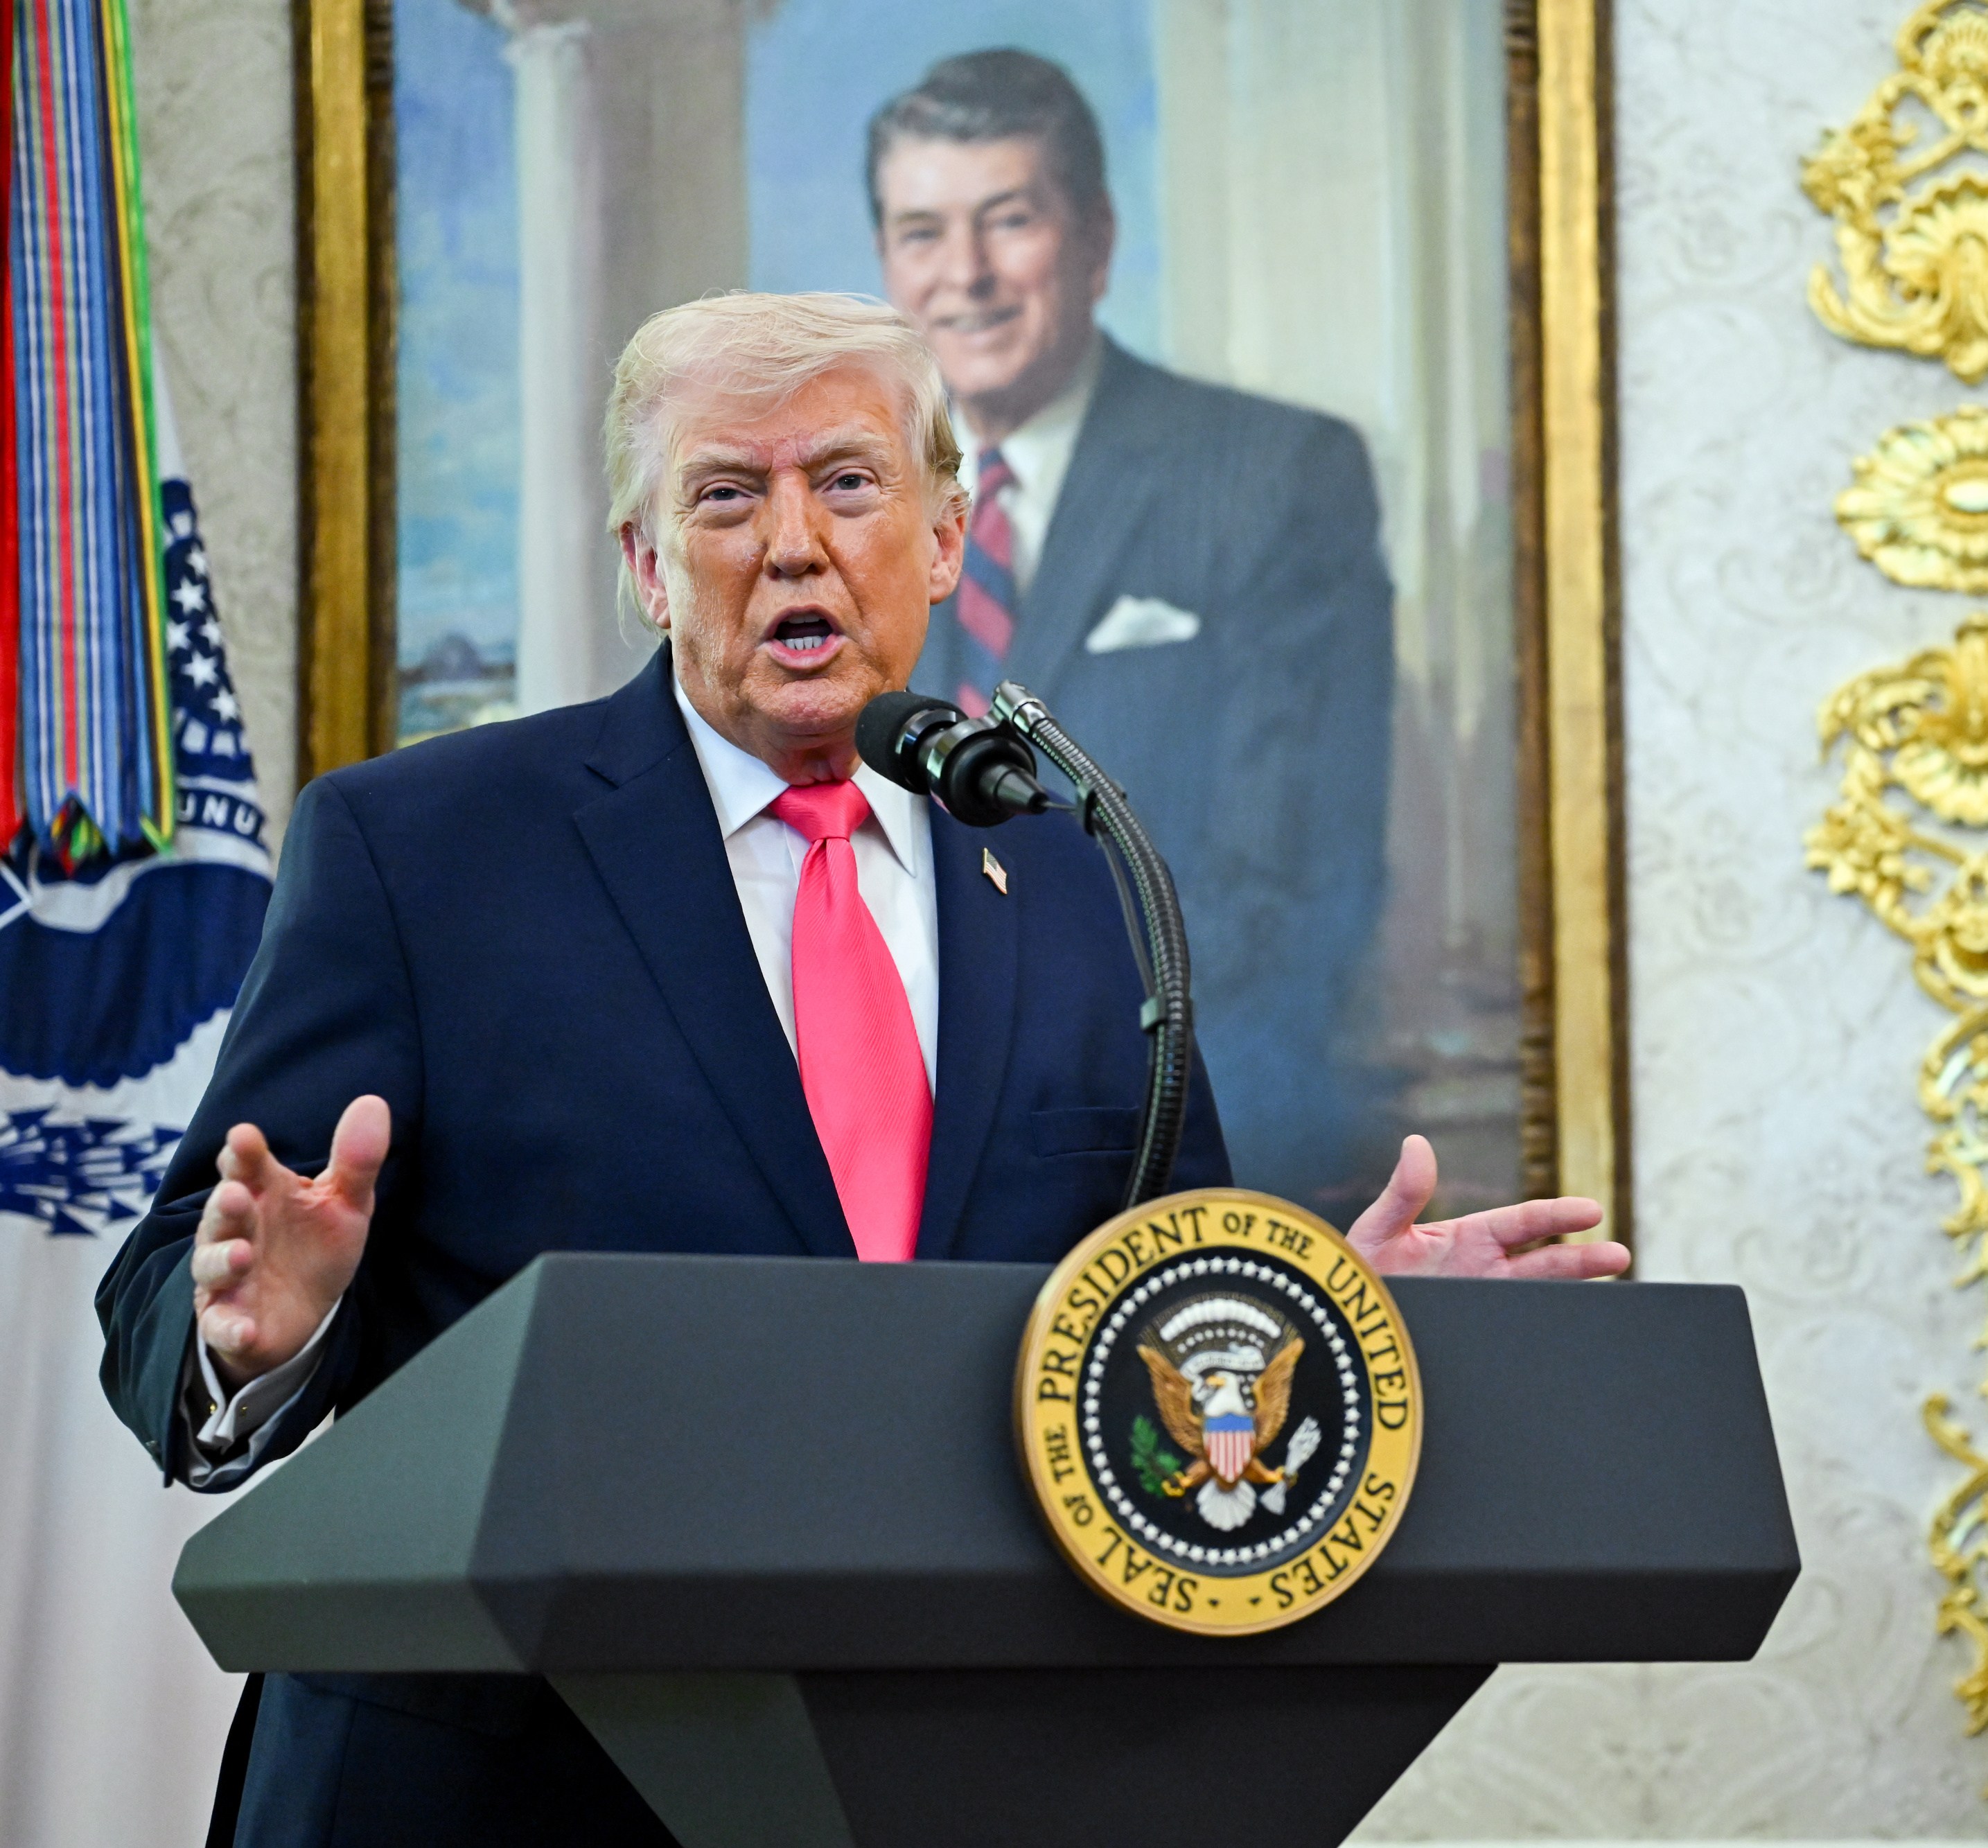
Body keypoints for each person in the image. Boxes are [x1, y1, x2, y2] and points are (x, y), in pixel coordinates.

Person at [97, 294, 1624, 1848]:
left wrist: (1325, 1319)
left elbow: (1151, 1304)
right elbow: (173, 1284)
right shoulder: (421, 847)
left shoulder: (1077, 867)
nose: (791, 544)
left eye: (845, 482)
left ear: (945, 537)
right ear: (647, 566)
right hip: (497, 1786)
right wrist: (257, 1332)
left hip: (947, 1771)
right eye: (723, 495)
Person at [868, 49, 1396, 1211]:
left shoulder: (1273, 475)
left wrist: (1056, 1120)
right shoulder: (854, 513)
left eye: (1009, 220)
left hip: (1188, 1138)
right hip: (911, 1161)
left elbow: (1292, 880)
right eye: (922, 234)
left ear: (1096, 240)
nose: (965, 275)